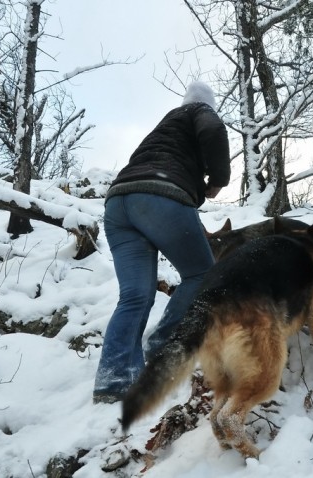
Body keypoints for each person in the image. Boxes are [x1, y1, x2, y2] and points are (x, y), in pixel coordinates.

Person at [93, 81, 231, 404]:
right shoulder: (201, 111)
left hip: (118, 204)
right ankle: (162, 348)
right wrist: (217, 182)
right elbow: (213, 129)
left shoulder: (163, 126)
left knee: (134, 296)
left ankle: (113, 380)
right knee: (201, 275)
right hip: (159, 197)